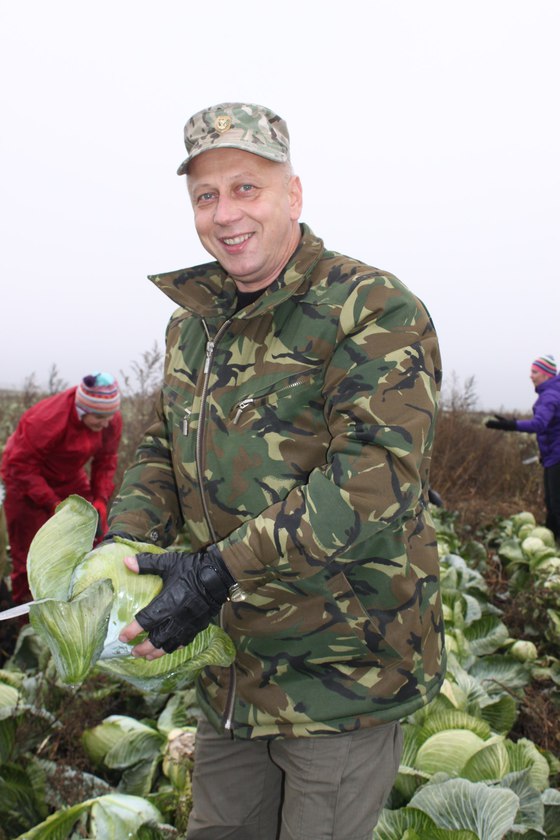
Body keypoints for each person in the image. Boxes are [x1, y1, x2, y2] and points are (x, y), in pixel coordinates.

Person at [107, 102, 445, 839]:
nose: (225, 213)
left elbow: (375, 479)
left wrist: (217, 571)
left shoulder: (371, 306)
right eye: (205, 195)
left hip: (342, 673)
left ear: (293, 194)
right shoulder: (192, 324)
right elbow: (165, 444)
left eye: (245, 188)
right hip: (230, 669)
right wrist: (123, 544)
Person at [1, 372, 122, 604]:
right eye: (99, 417)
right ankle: (28, 614)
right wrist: (54, 504)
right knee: (31, 554)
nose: (106, 423)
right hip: (24, 480)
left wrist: (100, 499)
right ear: (83, 410)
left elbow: (106, 460)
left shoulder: (109, 419)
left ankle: (82, 601)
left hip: (68, 474)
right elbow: (21, 465)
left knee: (94, 535)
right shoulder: (47, 419)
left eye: (110, 416)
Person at [486, 354, 560, 538]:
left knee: (556, 505)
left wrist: (510, 425)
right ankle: (553, 540)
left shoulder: (550, 395)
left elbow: (539, 424)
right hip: (552, 456)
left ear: (546, 374)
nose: (531, 376)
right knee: (552, 503)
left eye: (535, 372)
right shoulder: (553, 392)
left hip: (557, 457)